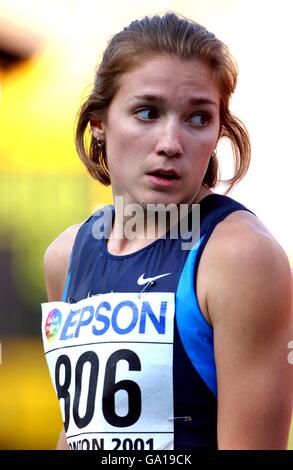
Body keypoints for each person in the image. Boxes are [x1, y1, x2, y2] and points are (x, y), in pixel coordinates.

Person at [42, 12, 293, 450]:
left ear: (219, 131)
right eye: (146, 112)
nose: (171, 143)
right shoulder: (65, 255)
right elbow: (82, 433)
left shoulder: (239, 258)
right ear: (99, 122)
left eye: (198, 118)